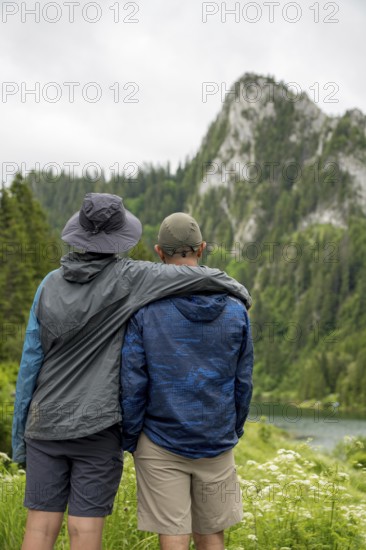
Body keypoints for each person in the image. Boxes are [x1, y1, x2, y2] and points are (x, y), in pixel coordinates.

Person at [12, 194, 252, 550]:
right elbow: (189, 279)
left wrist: (20, 437)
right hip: (98, 427)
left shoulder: (48, 284)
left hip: (44, 422)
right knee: (84, 529)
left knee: (39, 528)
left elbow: (30, 363)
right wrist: (239, 290)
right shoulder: (131, 277)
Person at [121, 212, 254, 550]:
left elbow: (133, 383)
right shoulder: (236, 309)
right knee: (212, 534)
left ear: (158, 251)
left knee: (173, 534)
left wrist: (131, 437)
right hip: (216, 439)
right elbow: (243, 381)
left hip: (159, 440)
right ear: (202, 248)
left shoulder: (145, 309)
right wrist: (231, 429)